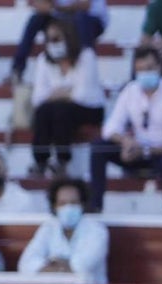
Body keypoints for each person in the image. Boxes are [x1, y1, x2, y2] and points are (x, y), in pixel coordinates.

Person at [89, 46, 162, 216]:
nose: (145, 73)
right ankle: (96, 206)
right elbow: (110, 128)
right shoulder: (130, 91)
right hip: (135, 152)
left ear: (160, 67)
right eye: (140, 69)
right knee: (99, 147)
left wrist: (145, 150)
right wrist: (126, 142)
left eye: (149, 68)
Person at [29, 17, 105, 176]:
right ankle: (40, 161)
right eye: (49, 39)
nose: (52, 43)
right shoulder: (43, 60)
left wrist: (56, 94)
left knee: (59, 110)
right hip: (59, 108)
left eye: (56, 39)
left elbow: (83, 94)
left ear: (68, 37)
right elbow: (38, 98)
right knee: (43, 112)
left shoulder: (86, 56)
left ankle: (62, 160)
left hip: (90, 108)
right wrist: (66, 92)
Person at [18, 177, 108, 284]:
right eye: (62, 203)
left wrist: (51, 265)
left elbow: (81, 266)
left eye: (74, 203)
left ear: (82, 204)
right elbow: (26, 263)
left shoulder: (97, 231)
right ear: (55, 206)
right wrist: (60, 267)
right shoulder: (49, 227)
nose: (68, 207)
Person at [10, 0, 108, 82]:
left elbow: (85, 5)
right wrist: (50, 7)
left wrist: (56, 8)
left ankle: (86, 71)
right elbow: (39, 4)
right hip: (62, 16)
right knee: (35, 19)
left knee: (81, 18)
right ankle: (17, 70)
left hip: (91, 19)